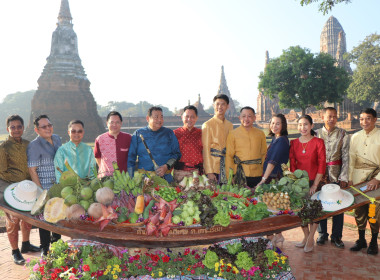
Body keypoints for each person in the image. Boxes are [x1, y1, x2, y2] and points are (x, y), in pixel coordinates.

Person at [0, 115, 40, 264]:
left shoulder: (28, 144)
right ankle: (15, 251)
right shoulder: (3, 147)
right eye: (13, 127)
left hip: (28, 187)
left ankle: (26, 244)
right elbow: (2, 172)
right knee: (13, 219)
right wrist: (18, 185)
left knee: (27, 218)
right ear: (8, 129)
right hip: (10, 188)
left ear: (23, 128)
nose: (16, 130)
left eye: (19, 127)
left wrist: (28, 183)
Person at [290, 115, 326, 253]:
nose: (302, 127)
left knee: (315, 211)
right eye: (300, 124)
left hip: (315, 181)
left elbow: (322, 165)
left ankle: (311, 238)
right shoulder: (293, 143)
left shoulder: (318, 142)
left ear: (311, 126)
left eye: (305, 124)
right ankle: (306, 236)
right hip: (300, 183)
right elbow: (292, 166)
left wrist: (314, 185)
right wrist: (296, 183)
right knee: (301, 212)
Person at [27, 115, 62, 256]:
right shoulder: (34, 146)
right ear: (37, 130)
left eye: (49, 125)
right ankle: (45, 248)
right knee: (45, 218)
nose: (48, 128)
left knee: (59, 215)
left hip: (59, 186)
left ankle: (57, 245)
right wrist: (41, 192)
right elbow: (32, 169)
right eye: (44, 126)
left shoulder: (57, 139)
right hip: (44, 187)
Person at [315, 107, 349, 248]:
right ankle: (322, 234)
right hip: (320, 175)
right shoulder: (316, 134)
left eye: (334, 116)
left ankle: (337, 236)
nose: (332, 119)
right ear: (322, 117)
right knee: (320, 205)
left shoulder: (342, 133)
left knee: (338, 206)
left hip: (336, 173)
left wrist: (344, 177)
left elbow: (346, 157)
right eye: (329, 116)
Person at [348, 108, 380, 255]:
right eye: (361, 119)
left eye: (368, 118)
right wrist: (349, 179)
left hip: (376, 181)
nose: (364, 122)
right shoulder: (355, 137)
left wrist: (377, 179)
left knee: (374, 213)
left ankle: (373, 242)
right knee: (359, 211)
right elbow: (351, 160)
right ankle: (361, 240)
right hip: (358, 181)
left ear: (375, 119)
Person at [257, 113, 289, 248]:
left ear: (283, 125)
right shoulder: (275, 139)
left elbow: (272, 162)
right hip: (272, 178)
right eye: (272, 123)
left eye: (277, 123)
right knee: (273, 209)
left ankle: (272, 238)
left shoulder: (281, 140)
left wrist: (263, 180)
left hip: (273, 179)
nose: (274, 126)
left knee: (271, 209)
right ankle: (278, 236)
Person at [127, 106, 181, 183]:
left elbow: (176, 154)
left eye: (161, 117)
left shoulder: (169, 133)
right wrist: (130, 179)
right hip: (144, 180)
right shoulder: (138, 134)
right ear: (148, 118)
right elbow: (131, 158)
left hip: (165, 179)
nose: (159, 120)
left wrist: (166, 166)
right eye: (156, 117)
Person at [225, 107, 267, 188]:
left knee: (257, 198)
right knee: (241, 198)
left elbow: (263, 154)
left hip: (257, 173)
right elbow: (229, 156)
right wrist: (230, 176)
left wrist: (263, 172)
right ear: (239, 118)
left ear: (254, 118)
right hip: (239, 173)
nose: (246, 119)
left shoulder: (260, 134)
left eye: (249, 116)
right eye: (243, 116)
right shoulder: (233, 134)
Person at [202, 94, 233, 184]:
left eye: (223, 104)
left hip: (226, 166)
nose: (220, 107)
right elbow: (205, 149)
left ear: (228, 106)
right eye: (217, 104)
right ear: (213, 106)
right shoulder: (207, 125)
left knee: (226, 194)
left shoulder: (229, 125)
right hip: (213, 166)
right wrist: (209, 172)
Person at [94, 111, 132, 178]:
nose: (114, 125)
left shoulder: (128, 138)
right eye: (111, 122)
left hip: (124, 178)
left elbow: (132, 156)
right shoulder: (100, 139)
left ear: (121, 123)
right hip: (105, 179)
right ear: (107, 123)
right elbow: (97, 157)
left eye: (117, 122)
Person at [173, 105, 203, 182]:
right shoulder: (175, 134)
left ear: (196, 118)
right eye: (187, 116)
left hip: (196, 174)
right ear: (182, 117)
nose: (189, 119)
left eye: (192, 117)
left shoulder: (201, 133)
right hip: (179, 173)